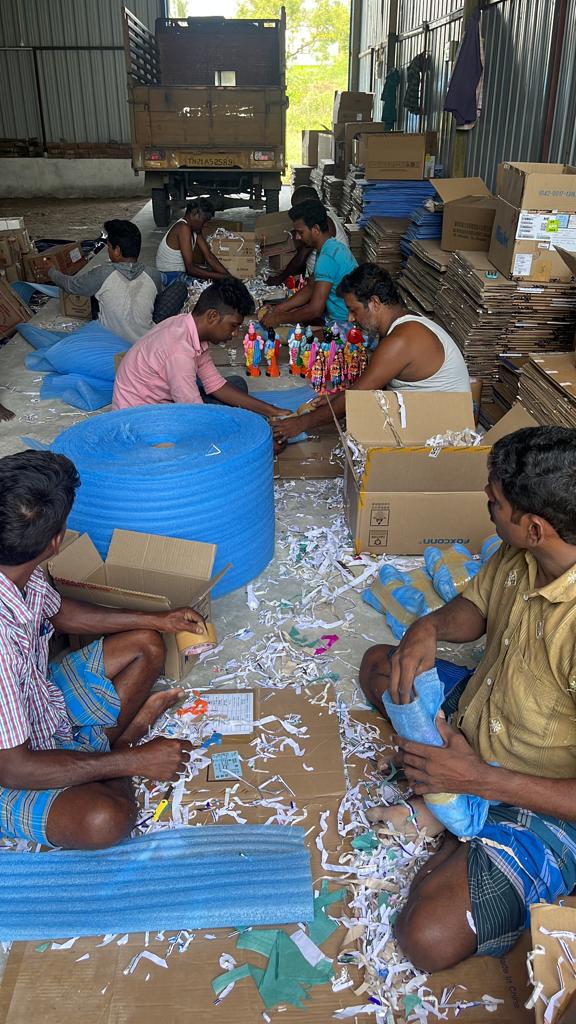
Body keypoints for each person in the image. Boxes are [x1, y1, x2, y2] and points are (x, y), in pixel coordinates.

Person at [358, 426, 576, 971]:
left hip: (543, 792)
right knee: (383, 664)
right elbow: (475, 608)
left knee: (426, 937)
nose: (487, 507)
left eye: (495, 503)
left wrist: (476, 779)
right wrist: (428, 627)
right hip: (483, 716)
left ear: (535, 527)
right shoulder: (522, 554)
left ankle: (461, 815)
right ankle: (448, 803)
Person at [0, 449, 206, 850]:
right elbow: (14, 767)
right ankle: (122, 743)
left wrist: (157, 619)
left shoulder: (16, 567)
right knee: (105, 820)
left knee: (146, 644)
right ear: (56, 541)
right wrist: (134, 760)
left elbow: (60, 612)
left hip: (37, 707)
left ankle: (100, 755)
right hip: (10, 765)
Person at [272, 263, 470, 444]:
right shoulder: (404, 322)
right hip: (434, 418)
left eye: (354, 310)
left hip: (446, 436)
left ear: (374, 303)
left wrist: (300, 424)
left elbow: (357, 398)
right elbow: (368, 386)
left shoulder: (400, 340)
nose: (350, 318)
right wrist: (337, 397)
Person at [113, 276, 285, 419]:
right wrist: (258, 427)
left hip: (165, 402)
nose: (235, 334)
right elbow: (195, 414)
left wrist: (272, 410)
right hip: (142, 419)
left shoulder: (186, 325)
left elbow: (214, 383)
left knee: (237, 385)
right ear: (212, 316)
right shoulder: (179, 351)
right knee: (237, 421)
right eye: (233, 326)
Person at [48, 220, 187, 344]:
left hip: (110, 342)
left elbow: (71, 285)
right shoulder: (153, 275)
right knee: (178, 288)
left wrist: (51, 271)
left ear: (117, 251)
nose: (108, 250)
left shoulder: (102, 273)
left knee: (95, 292)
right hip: (144, 342)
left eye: (109, 247)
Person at [260, 199, 357, 331]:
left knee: (289, 336)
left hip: (346, 324)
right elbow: (311, 287)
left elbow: (315, 310)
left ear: (315, 229)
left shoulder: (327, 258)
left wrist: (278, 318)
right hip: (337, 319)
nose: (297, 237)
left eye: (300, 232)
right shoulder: (331, 247)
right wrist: (279, 309)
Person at [267, 186, 349, 286]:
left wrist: (280, 278)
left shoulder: (327, 257)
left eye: (298, 208)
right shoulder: (322, 216)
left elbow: (301, 257)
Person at [155, 198, 230, 282]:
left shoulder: (195, 228)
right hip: (169, 275)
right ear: (194, 213)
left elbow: (209, 256)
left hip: (180, 272)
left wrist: (229, 277)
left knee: (214, 275)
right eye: (204, 220)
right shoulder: (183, 228)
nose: (205, 225)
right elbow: (190, 269)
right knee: (213, 284)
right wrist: (223, 277)